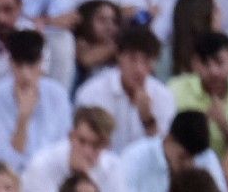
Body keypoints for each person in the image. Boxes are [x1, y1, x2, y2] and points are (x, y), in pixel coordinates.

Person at [0, 29, 71, 172]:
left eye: (31, 66)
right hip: (2, 179)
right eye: (19, 66)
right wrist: (23, 119)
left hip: (47, 177)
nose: (25, 75)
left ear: (41, 62)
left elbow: (63, 150)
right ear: (10, 63)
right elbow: (1, 162)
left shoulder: (58, 95)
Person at [21, 108, 129, 192]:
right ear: (71, 136)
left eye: (96, 145)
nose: (87, 151)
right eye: (82, 141)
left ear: (106, 146)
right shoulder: (41, 166)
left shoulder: (113, 167)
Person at [75, 25, 175, 153]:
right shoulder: (92, 92)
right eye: (132, 59)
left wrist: (148, 121)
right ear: (119, 56)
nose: (139, 69)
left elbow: (165, 156)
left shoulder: (163, 96)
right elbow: (83, 144)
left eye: (146, 61)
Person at [170, 32, 228, 157]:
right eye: (205, 64)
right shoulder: (175, 90)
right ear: (194, 63)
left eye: (219, 63)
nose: (213, 71)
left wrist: (224, 125)